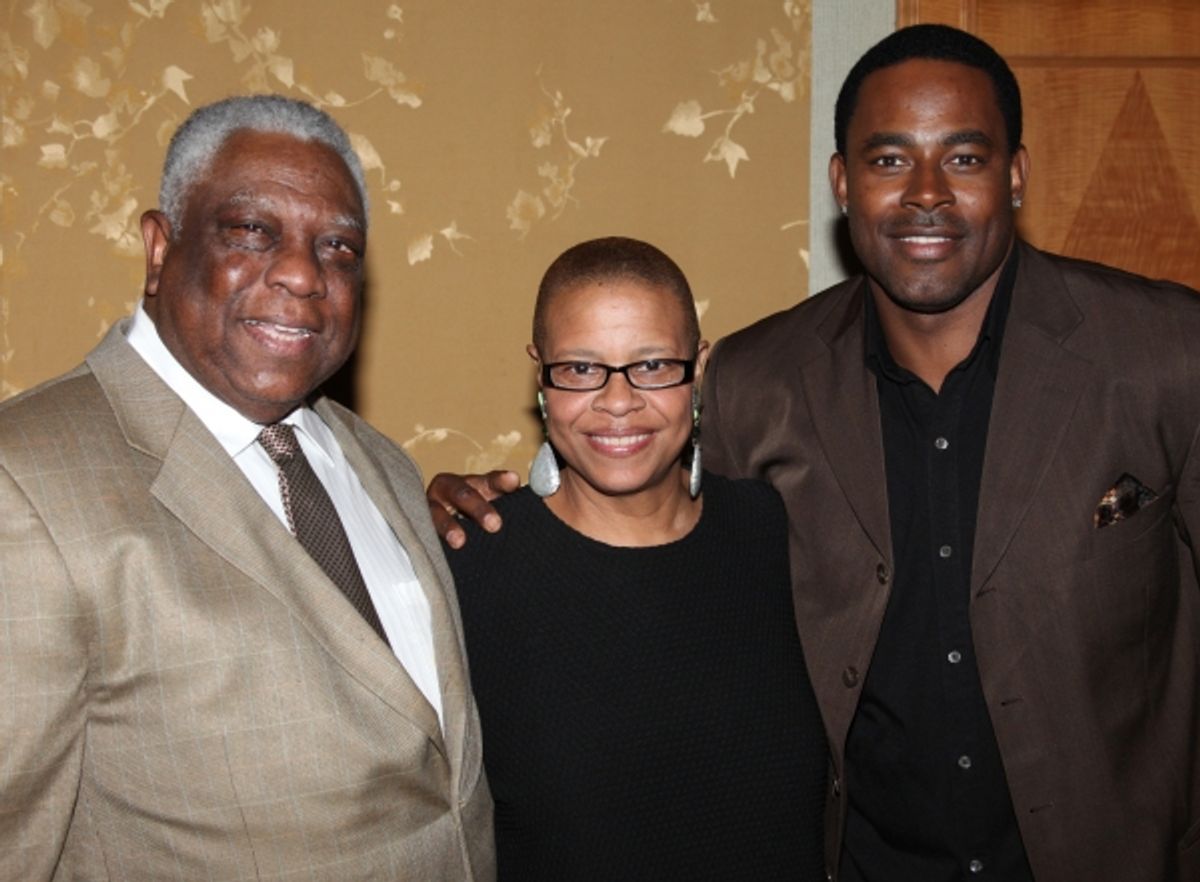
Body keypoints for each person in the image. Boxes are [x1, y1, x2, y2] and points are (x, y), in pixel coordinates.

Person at [429, 25, 1200, 882]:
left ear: (1016, 173)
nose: (927, 195)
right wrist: (453, 507)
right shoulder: (762, 381)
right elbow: (642, 509)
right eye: (889, 160)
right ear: (842, 182)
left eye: (966, 159)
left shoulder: (1164, 353)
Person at [0, 95, 493, 881]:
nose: (302, 273)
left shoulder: (384, 465)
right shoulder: (22, 484)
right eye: (251, 231)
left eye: (337, 246)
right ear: (160, 249)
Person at [447, 237, 827, 880]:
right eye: (580, 368)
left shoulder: (776, 532)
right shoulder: (468, 566)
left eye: (652, 365)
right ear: (540, 373)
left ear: (698, 368)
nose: (618, 401)